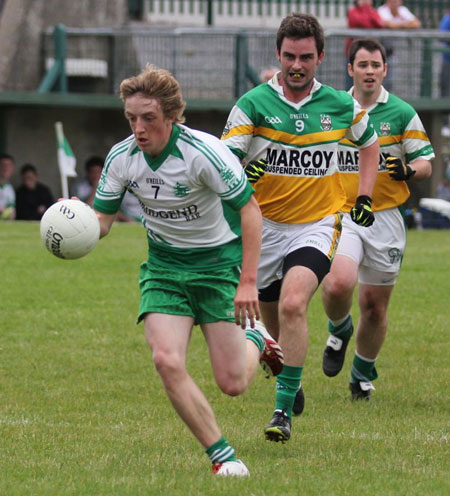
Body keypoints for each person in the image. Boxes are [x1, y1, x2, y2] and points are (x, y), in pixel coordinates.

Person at [91, 65, 284, 476]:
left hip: (217, 268)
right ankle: (222, 458)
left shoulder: (204, 152)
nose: (139, 128)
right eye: (131, 118)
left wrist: (248, 282)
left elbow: (250, 211)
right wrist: (71, 223)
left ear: (171, 116)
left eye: (148, 118)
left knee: (233, 384)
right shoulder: (122, 158)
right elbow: (102, 222)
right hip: (164, 269)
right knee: (166, 360)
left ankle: (256, 337)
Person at [221, 13, 380, 443]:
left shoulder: (341, 105)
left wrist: (363, 198)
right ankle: (291, 377)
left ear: (320, 58)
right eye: (289, 56)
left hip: (317, 223)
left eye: (305, 57)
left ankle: (281, 411)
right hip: (263, 228)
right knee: (272, 330)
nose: (296, 65)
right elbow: (224, 159)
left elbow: (370, 147)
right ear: (278, 54)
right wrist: (242, 170)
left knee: (294, 305)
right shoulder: (252, 104)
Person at [321, 38, 434, 401]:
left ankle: (361, 375)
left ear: (384, 70)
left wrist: (407, 170)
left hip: (385, 218)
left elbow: (425, 163)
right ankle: (339, 328)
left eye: (376, 65)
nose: (369, 71)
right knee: (337, 284)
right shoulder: (334, 109)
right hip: (343, 212)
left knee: (374, 305)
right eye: (362, 65)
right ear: (349, 69)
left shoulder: (401, 113)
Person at [377, 0, 421, 90]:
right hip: (379, 50)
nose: (395, 2)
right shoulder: (382, 10)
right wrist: (405, 24)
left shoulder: (402, 10)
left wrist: (399, 25)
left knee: (389, 79)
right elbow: (389, 24)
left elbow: (417, 23)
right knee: (379, 78)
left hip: (392, 50)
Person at [345, 0, 385, 89]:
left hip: (371, 54)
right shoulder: (352, 11)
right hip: (353, 54)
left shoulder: (374, 12)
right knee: (351, 83)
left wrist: (368, 13)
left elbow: (380, 24)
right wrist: (367, 11)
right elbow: (361, 22)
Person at [439, 10, 450, 136]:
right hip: (448, 61)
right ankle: (445, 124)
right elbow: (442, 36)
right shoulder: (448, 19)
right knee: (446, 91)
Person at [0, 153, 16, 220]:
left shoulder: (10, 189)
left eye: (9, 165)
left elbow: (12, 214)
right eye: (3, 165)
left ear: (13, 168)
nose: (6, 168)